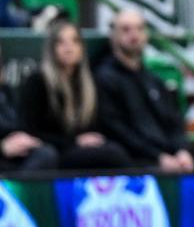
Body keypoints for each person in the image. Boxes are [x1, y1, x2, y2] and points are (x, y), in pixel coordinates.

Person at [17, 17, 131, 170]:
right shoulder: (38, 81)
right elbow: (31, 131)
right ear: (51, 48)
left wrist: (90, 139)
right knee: (113, 155)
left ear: (82, 48)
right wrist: (74, 141)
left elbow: (99, 125)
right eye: (61, 42)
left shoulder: (89, 82)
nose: (68, 47)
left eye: (74, 41)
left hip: (81, 148)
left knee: (116, 151)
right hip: (56, 151)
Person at [93, 9, 194, 173]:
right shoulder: (104, 78)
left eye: (139, 28)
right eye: (126, 29)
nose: (134, 35)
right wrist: (158, 157)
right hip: (135, 163)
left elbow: (174, 121)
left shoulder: (153, 79)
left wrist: (182, 150)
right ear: (113, 35)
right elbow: (117, 130)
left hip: (169, 158)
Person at [0, 41, 57, 173]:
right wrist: (2, 148)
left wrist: (23, 139)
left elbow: (19, 124)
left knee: (46, 154)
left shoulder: (6, 91)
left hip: (15, 155)